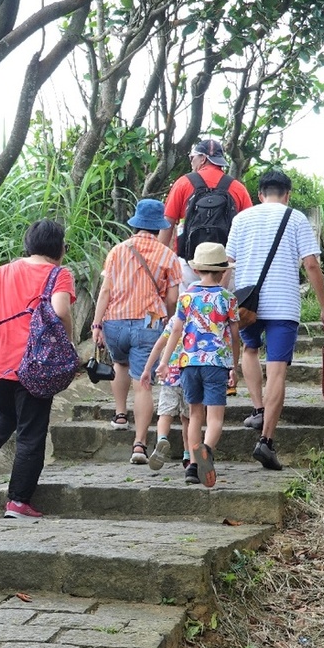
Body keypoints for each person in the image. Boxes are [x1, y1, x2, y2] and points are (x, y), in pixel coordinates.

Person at [0, 219, 76, 520]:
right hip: (36, 364)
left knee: (4, 412)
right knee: (31, 434)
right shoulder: (59, 274)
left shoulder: (8, 270)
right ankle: (18, 502)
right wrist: (69, 338)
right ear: (58, 247)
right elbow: (61, 309)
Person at [225, 169, 324, 471]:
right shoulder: (296, 218)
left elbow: (228, 264)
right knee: (277, 371)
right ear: (287, 194)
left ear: (260, 194)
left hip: (248, 304)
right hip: (284, 305)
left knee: (249, 351)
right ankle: (266, 441)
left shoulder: (241, 218)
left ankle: (258, 408)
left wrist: (221, 303)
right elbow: (311, 264)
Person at [90, 198, 182, 465]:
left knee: (120, 364)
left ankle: (120, 415)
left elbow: (105, 291)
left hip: (115, 320)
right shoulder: (168, 255)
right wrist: (160, 314)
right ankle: (139, 445)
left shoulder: (118, 250)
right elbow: (174, 298)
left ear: (137, 224)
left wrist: (97, 325)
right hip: (150, 320)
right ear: (158, 227)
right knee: (143, 382)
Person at [154, 242, 239, 488]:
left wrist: (165, 362)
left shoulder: (186, 297)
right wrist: (234, 365)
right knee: (215, 419)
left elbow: (176, 331)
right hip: (216, 363)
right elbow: (234, 336)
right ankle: (207, 451)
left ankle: (192, 465)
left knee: (194, 416)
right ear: (223, 271)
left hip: (188, 363)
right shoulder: (227, 299)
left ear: (199, 269)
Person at [158, 139, 253, 280]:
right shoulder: (237, 187)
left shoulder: (183, 183)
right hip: (224, 267)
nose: (191, 161)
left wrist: (160, 262)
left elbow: (168, 223)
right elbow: (248, 229)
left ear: (203, 158)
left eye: (192, 157)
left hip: (189, 264)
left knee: (186, 300)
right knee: (225, 301)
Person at [140, 324, 189, 473]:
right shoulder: (197, 319)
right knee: (188, 418)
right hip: (191, 375)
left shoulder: (175, 322)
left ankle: (162, 438)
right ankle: (188, 455)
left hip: (170, 376)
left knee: (165, 414)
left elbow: (158, 347)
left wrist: (147, 369)